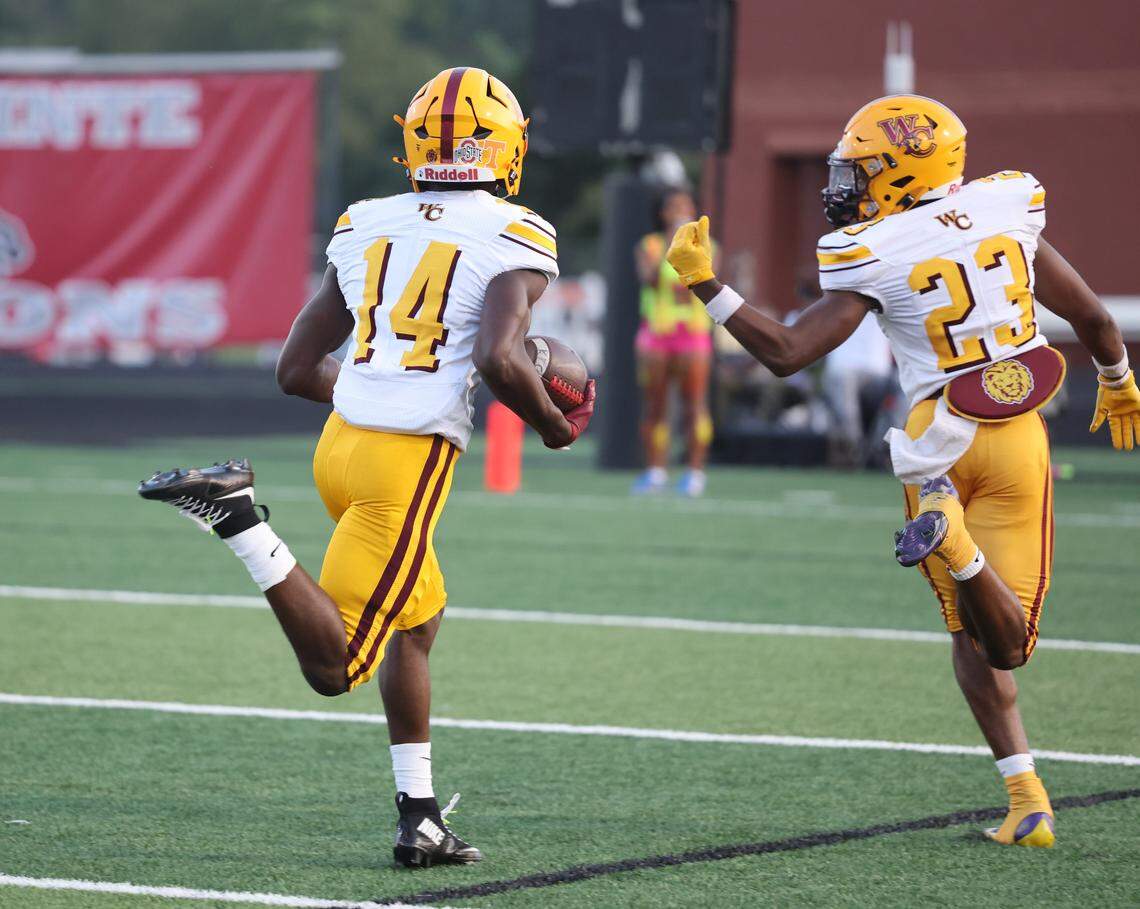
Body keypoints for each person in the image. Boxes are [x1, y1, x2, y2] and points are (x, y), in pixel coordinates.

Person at [137, 67, 596, 869]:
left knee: (415, 626)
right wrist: (554, 423)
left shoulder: (364, 221)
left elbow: (294, 367)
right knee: (339, 663)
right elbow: (497, 355)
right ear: (504, 148)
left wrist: (373, 387)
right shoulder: (517, 230)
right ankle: (237, 515)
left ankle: (419, 818)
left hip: (342, 447)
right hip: (402, 464)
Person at [664, 94, 1140, 848]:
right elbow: (1096, 321)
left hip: (933, 444)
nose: (845, 184)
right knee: (998, 639)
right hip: (1016, 431)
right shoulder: (1008, 203)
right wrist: (1117, 380)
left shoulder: (872, 248)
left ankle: (1022, 780)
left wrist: (706, 284)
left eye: (861, 169)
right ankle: (1028, 796)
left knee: (976, 633)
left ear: (904, 168)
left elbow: (787, 354)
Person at [632, 188, 716, 497]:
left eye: (685, 205)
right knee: (655, 406)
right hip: (656, 335)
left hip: (693, 336)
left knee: (695, 406)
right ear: (664, 213)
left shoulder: (708, 247)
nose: (679, 211)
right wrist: (672, 244)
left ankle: (695, 473)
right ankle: (655, 471)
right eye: (673, 207)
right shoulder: (650, 245)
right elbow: (650, 280)